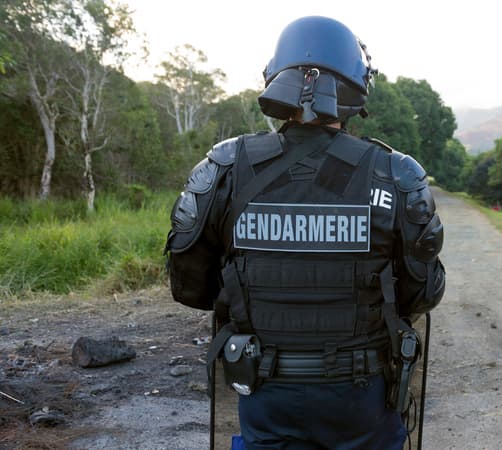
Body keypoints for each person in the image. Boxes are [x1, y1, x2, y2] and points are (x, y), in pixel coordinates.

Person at [164, 16, 446, 450]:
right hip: (362, 398)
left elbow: (189, 286)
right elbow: (423, 293)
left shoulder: (225, 168)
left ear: (277, 79)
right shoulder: (395, 174)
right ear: (355, 84)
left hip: (263, 390)